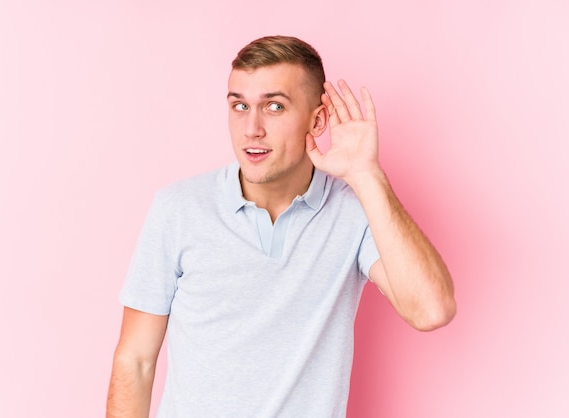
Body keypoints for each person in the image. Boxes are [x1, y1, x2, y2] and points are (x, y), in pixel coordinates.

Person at [106, 35, 456, 418]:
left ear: (317, 119)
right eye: (239, 106)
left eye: (274, 106)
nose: (251, 128)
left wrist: (367, 175)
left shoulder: (355, 211)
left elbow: (431, 310)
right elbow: (135, 361)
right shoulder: (179, 209)